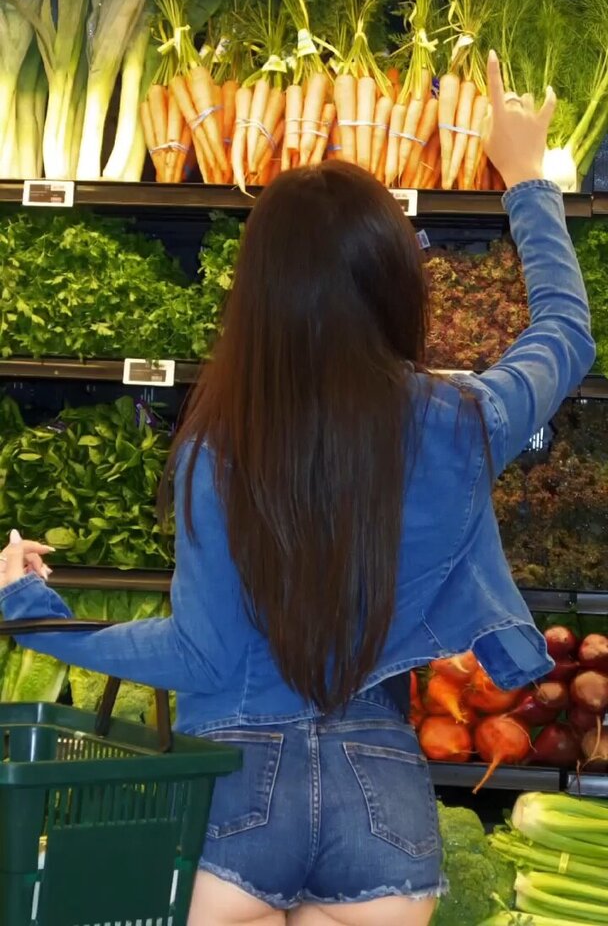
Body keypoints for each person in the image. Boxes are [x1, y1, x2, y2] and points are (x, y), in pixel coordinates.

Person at [0, 52, 595, 926]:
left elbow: (199, 655)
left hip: (236, 812)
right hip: (383, 812)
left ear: (258, 295)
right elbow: (567, 335)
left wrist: (32, 612)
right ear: (396, 282)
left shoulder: (217, 450)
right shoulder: (466, 419)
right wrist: (526, 180)